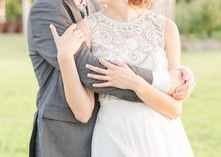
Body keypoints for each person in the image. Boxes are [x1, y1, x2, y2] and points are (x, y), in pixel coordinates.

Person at [28, 0, 195, 157]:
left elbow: (175, 107)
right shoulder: (82, 26)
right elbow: (86, 76)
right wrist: (162, 81)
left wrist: (180, 78)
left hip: (159, 134)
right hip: (111, 135)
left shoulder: (166, 27)